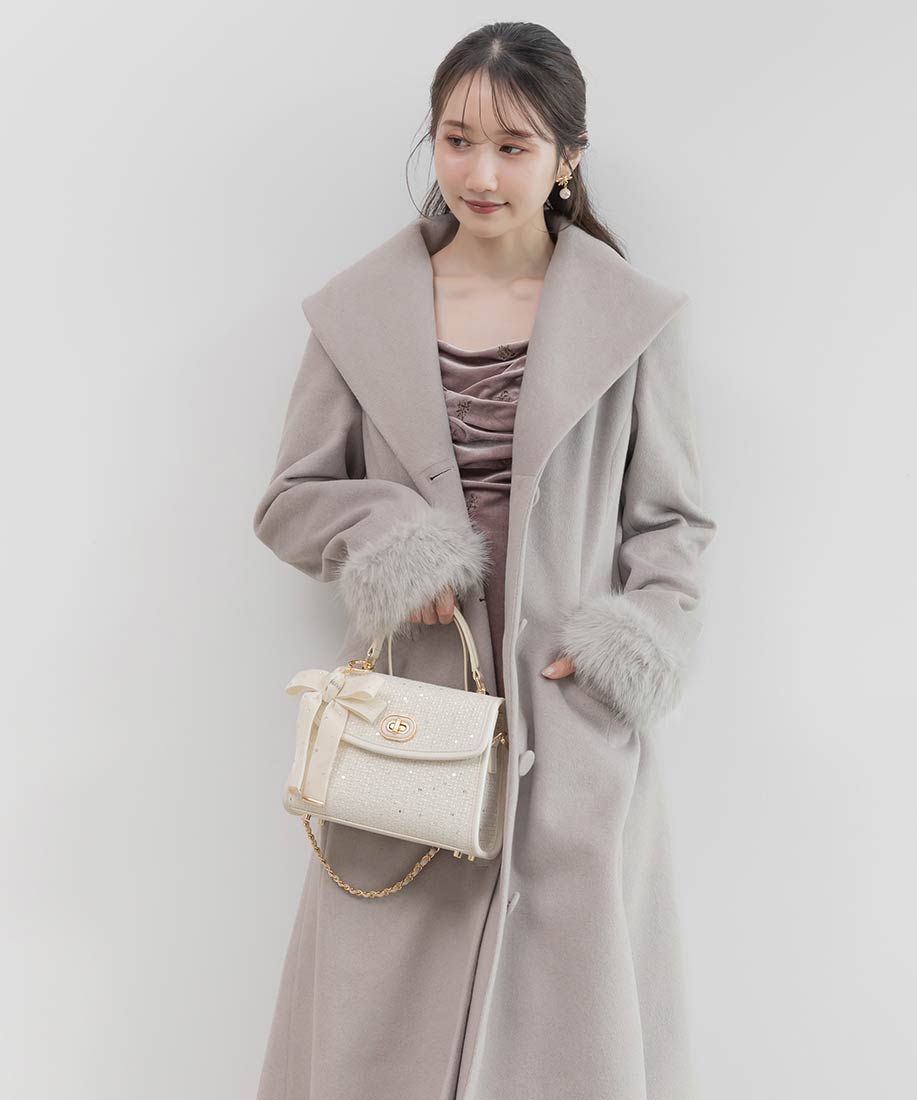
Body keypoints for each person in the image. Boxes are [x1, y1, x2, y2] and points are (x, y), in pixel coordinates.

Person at [252, 21, 716, 1100]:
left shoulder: (632, 320)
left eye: (513, 146)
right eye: (457, 140)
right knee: (377, 1013)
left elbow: (673, 524)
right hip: (407, 715)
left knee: (566, 1021)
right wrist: (394, 542)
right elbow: (289, 500)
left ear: (567, 156)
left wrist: (624, 645)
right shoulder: (356, 313)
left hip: (568, 717)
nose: (479, 173)